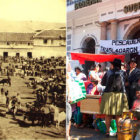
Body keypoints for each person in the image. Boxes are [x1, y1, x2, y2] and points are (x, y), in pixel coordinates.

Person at [100, 59, 129, 137]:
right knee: (118, 115)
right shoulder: (123, 73)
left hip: (108, 94)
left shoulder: (108, 72)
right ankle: (118, 132)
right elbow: (126, 83)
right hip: (120, 95)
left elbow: (102, 83)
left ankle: (107, 132)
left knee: (108, 115)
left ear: (113, 65)